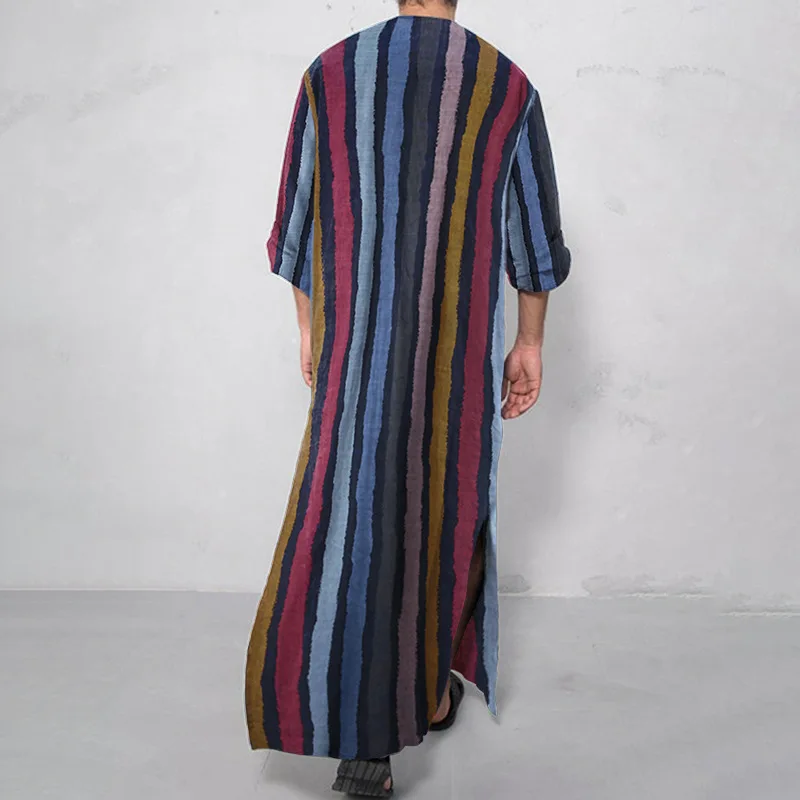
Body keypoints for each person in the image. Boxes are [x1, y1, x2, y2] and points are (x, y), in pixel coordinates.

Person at [245, 0, 571, 795]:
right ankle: (384, 728)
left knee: (355, 512)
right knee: (439, 509)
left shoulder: (331, 73)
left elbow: (298, 222)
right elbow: (534, 240)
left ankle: (398, 710)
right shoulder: (504, 86)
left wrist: (311, 330)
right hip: (454, 356)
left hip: (356, 347)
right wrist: (529, 343)